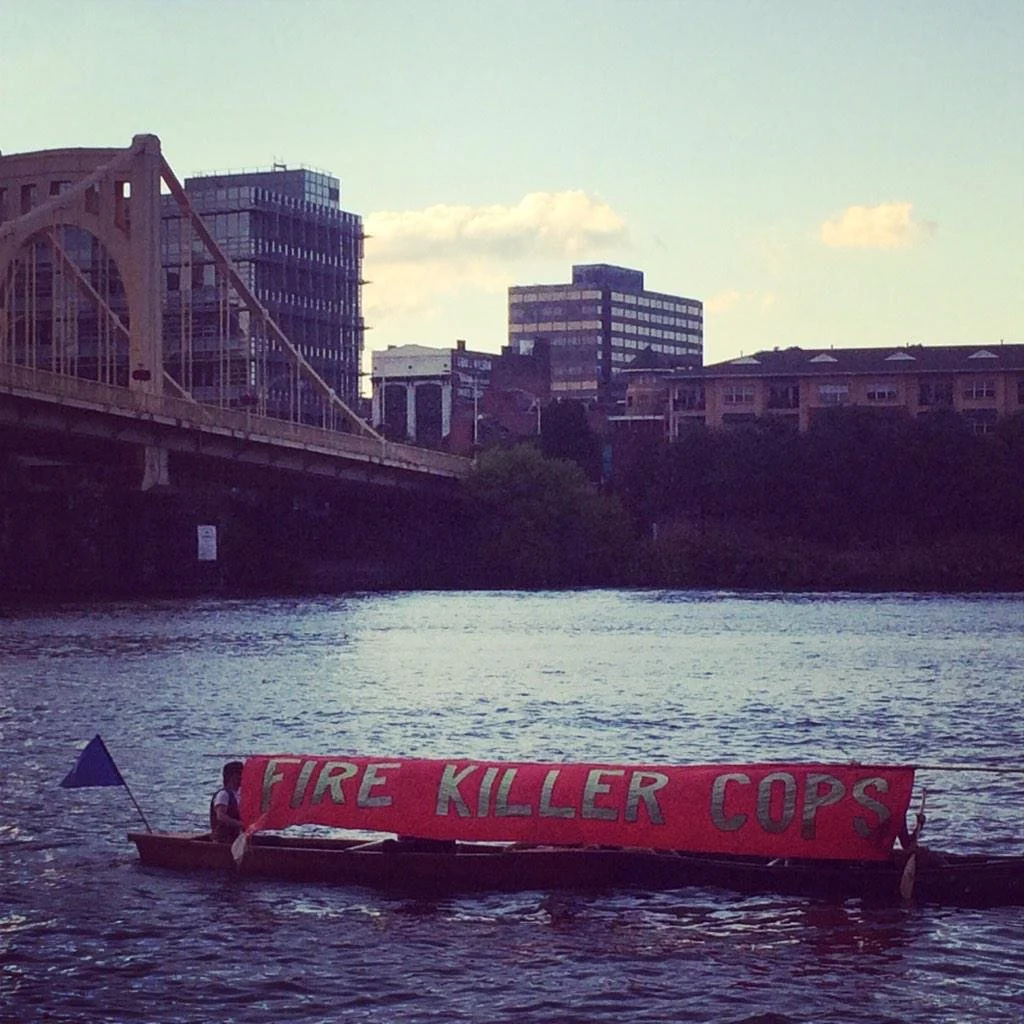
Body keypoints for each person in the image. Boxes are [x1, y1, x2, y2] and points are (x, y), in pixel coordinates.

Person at [210, 761, 244, 844]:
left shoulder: (237, 795)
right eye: (241, 774)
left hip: (235, 838)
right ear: (233, 776)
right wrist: (240, 824)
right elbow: (221, 816)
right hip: (223, 840)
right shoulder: (223, 794)